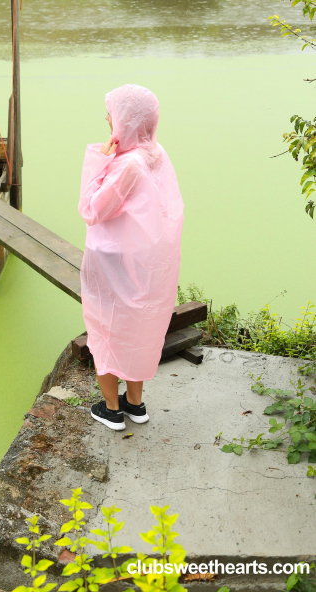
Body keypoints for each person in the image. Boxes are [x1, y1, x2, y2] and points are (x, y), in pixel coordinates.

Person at [78, 84, 184, 431]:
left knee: (105, 332)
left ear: (125, 120)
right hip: (143, 264)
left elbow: (92, 210)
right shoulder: (156, 153)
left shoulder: (128, 164)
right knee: (136, 330)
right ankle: (135, 405)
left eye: (112, 112)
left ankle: (111, 410)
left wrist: (99, 158)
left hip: (112, 264)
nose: (107, 117)